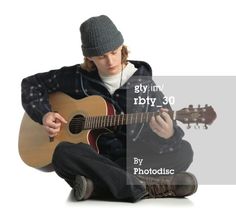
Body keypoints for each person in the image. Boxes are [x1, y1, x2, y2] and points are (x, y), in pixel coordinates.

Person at [21, 15, 197, 202]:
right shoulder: (77, 77)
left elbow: (167, 135)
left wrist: (167, 134)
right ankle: (145, 186)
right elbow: (31, 85)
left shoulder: (145, 86)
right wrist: (45, 113)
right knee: (62, 153)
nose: (111, 61)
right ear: (89, 57)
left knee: (184, 151)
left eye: (114, 52)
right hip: (93, 158)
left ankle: (98, 187)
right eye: (101, 56)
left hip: (126, 161)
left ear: (122, 47)